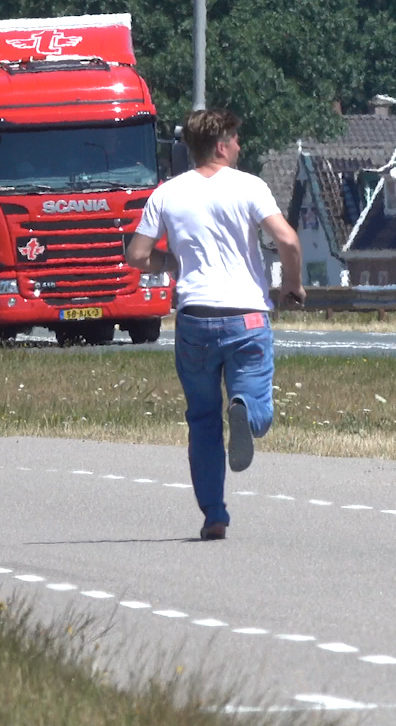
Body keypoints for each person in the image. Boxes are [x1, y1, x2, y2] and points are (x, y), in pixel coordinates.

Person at [125, 109, 306, 541]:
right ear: (221, 146)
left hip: (195, 320)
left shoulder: (167, 194)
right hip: (246, 318)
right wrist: (292, 286)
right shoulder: (249, 187)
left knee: (203, 421)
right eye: (236, 139)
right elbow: (288, 240)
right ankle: (245, 410)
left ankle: (214, 515)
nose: (240, 146)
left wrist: (170, 261)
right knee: (254, 400)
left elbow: (135, 255)